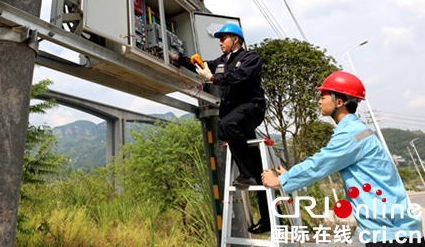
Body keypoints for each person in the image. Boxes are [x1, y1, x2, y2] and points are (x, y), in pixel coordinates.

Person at [262, 71, 424, 246]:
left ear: (339, 102)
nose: (319, 101)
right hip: (393, 231)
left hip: (390, 235)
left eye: (323, 96)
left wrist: (280, 180)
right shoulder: (357, 131)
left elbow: (319, 164)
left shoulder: (351, 135)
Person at [170, 23, 270, 233]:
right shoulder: (221, 62)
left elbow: (241, 77)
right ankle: (267, 219)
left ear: (235, 39)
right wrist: (180, 59)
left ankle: (246, 173)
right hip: (235, 114)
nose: (220, 42)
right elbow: (203, 65)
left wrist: (214, 78)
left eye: (223, 38)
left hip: (252, 107)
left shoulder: (251, 57)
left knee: (227, 124)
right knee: (259, 169)